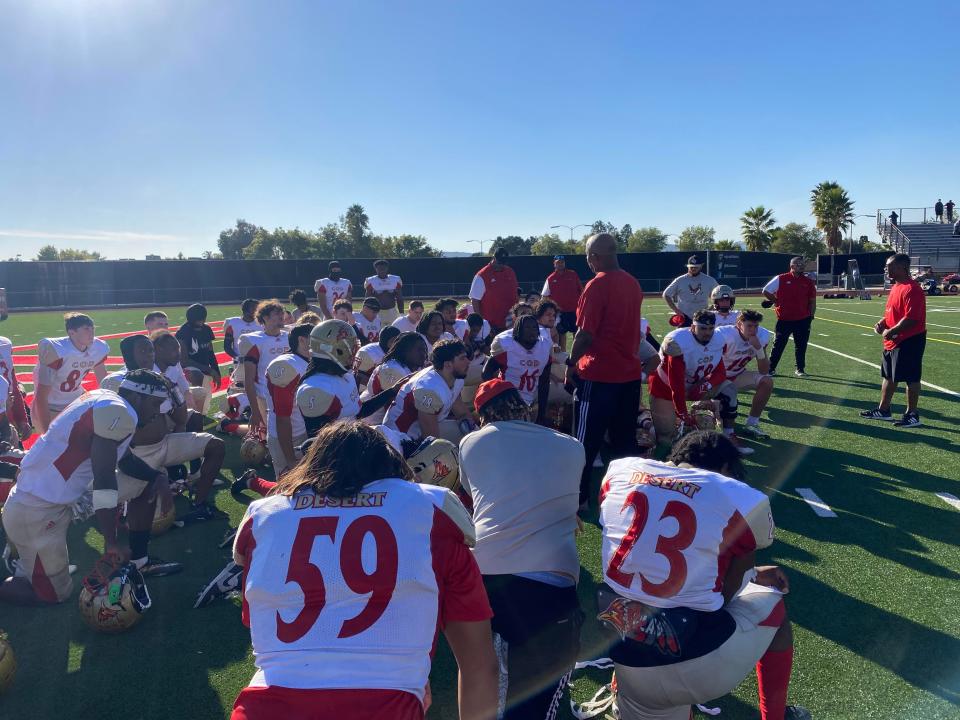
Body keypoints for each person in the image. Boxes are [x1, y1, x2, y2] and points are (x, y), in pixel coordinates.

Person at [228, 421, 498, 720]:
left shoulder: (264, 519)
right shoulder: (432, 512)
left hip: (263, 706)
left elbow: (260, 624)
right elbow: (479, 666)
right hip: (383, 705)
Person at [598, 431, 809, 720]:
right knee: (774, 606)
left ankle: (620, 685)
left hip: (622, 651)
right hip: (686, 656)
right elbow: (724, 595)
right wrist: (750, 574)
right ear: (724, 469)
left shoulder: (620, 471)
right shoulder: (741, 498)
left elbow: (646, 556)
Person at [459, 379, 584, 719]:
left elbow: (480, 500)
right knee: (538, 691)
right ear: (524, 407)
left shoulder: (471, 443)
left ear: (484, 416)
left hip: (483, 574)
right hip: (550, 579)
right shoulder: (572, 445)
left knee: (478, 674)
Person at [0, 371, 172, 605]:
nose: (156, 413)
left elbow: (125, 460)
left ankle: (139, 558)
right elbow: (104, 479)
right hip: (37, 510)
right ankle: (18, 567)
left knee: (144, 482)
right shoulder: (119, 412)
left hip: (57, 496)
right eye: (155, 404)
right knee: (54, 595)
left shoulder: (105, 399)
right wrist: (110, 542)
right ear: (137, 396)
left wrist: (156, 477)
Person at [566, 233, 644, 508]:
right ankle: (630, 497)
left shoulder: (596, 285)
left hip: (599, 375)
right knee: (624, 442)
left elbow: (585, 333)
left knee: (585, 442)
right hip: (629, 374)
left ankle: (581, 498)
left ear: (593, 257)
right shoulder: (632, 283)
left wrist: (571, 363)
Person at [648, 309, 751, 455]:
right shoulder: (678, 343)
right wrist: (683, 413)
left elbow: (720, 372)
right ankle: (653, 427)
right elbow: (676, 386)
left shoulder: (718, 340)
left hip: (695, 385)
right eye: (703, 328)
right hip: (665, 388)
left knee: (729, 389)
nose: (707, 332)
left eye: (710, 328)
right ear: (692, 327)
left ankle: (729, 433)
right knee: (665, 438)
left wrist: (705, 386)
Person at [295, 320, 402, 437]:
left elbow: (358, 412)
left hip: (350, 442)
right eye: (349, 347)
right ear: (331, 350)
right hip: (337, 452)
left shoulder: (345, 376)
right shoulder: (315, 389)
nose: (354, 352)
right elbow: (319, 442)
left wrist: (392, 390)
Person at [860, 253, 926, 428]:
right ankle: (883, 410)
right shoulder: (896, 287)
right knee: (888, 376)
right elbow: (893, 312)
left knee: (911, 378)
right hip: (893, 340)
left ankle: (912, 414)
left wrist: (891, 331)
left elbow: (911, 319)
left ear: (900, 268)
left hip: (909, 339)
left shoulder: (912, 289)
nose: (885, 269)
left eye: (888, 266)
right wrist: (883, 323)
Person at [31, 312, 109, 434]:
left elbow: (104, 383)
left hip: (76, 400)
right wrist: (47, 433)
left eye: (93, 328)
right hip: (52, 406)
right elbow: (41, 396)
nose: (92, 332)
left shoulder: (98, 347)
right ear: (72, 332)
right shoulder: (56, 349)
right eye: (86, 329)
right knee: (55, 449)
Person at [384, 339, 475, 443]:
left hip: (421, 431)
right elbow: (431, 441)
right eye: (462, 358)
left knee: (473, 433)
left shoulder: (453, 377)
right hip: (400, 439)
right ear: (448, 364)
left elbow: (462, 413)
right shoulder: (429, 388)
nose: (468, 361)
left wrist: (469, 427)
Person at [715, 309, 774, 439]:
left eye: (756, 326)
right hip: (717, 378)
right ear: (739, 324)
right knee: (722, 421)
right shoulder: (725, 335)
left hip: (737, 375)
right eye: (749, 326)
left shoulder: (762, 336)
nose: (753, 330)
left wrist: (759, 349)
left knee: (767, 382)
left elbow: (764, 371)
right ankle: (714, 406)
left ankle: (752, 423)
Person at [263, 324, 313, 476]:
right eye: (317, 338)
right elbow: (283, 417)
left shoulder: (306, 361)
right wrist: (290, 458)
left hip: (305, 432)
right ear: (303, 341)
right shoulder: (286, 366)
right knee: (289, 489)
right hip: (290, 437)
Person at [482, 315, 552, 423]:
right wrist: (496, 399)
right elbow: (486, 373)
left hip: (531, 397)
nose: (531, 332)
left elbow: (544, 381)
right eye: (527, 328)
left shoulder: (544, 346)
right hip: (507, 400)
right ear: (518, 331)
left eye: (534, 328)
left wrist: (542, 412)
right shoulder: (506, 345)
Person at [762, 256, 817, 378]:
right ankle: (771, 368)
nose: (801, 266)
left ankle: (800, 369)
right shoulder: (781, 278)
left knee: (801, 346)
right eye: (798, 264)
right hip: (784, 319)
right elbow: (765, 291)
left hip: (803, 319)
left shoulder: (808, 282)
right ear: (791, 266)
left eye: (802, 264)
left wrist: (811, 316)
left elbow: (812, 301)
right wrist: (776, 301)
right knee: (778, 345)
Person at [239, 300, 290, 430]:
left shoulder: (290, 337)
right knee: (270, 434)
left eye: (282, 313)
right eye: (277, 314)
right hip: (265, 395)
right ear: (265, 318)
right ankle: (228, 426)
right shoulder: (254, 341)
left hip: (290, 392)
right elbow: (249, 380)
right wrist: (255, 411)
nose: (281, 316)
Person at [361, 332, 428, 425]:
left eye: (425, 350)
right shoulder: (391, 369)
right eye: (419, 350)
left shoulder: (414, 367)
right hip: (371, 424)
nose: (423, 354)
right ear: (405, 350)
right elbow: (394, 409)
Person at [175, 303, 221, 412]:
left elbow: (210, 352)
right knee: (197, 380)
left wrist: (216, 371)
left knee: (204, 409)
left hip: (204, 367)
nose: (201, 322)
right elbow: (184, 361)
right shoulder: (183, 332)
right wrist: (209, 369)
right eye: (198, 320)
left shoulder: (206, 329)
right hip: (189, 369)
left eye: (202, 319)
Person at [470, 248, 519, 336]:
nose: (501, 265)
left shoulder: (510, 272)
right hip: (491, 326)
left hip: (511, 323)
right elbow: (475, 300)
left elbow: (515, 294)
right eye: (499, 261)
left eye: (503, 262)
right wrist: (482, 323)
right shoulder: (482, 275)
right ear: (493, 258)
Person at [541, 255, 583, 351]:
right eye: (558, 262)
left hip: (575, 310)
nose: (560, 264)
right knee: (561, 334)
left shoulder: (573, 274)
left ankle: (576, 354)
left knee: (577, 333)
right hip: (559, 312)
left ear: (564, 263)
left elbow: (581, 290)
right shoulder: (550, 278)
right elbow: (544, 295)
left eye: (562, 262)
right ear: (554, 264)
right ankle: (564, 355)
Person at [662, 256, 719, 328]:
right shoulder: (680, 280)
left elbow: (719, 294)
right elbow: (666, 295)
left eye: (696, 267)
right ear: (687, 266)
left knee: (702, 338)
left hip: (703, 317)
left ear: (701, 266)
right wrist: (676, 311)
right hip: (684, 317)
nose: (693, 268)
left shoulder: (709, 280)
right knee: (682, 338)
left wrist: (712, 308)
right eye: (691, 267)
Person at [224, 299, 262, 389]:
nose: (257, 311)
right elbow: (227, 346)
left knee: (259, 388)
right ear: (245, 310)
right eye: (254, 308)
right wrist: (237, 357)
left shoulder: (261, 323)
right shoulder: (233, 323)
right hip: (240, 362)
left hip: (259, 362)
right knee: (240, 389)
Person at [364, 259, 404, 325]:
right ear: (376, 269)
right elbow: (367, 300)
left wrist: (401, 313)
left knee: (394, 331)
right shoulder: (371, 281)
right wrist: (366, 313)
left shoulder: (395, 280)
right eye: (379, 268)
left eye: (383, 268)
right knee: (378, 333)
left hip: (392, 311)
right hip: (377, 312)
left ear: (387, 268)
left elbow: (399, 298)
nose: (382, 270)